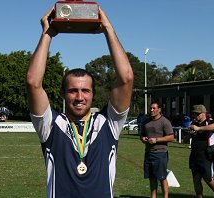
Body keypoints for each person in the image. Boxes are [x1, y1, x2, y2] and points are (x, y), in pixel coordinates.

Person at [26, 6, 133, 198]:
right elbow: (33, 82)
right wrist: (47, 34)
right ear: (63, 94)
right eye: (73, 91)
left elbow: (126, 78)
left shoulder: (109, 123)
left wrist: (108, 28)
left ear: (93, 94)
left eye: (85, 91)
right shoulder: (50, 124)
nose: (80, 97)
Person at [140, 101, 174, 198]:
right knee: (152, 178)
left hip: (160, 153)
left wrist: (157, 140)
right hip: (148, 153)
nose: (151, 110)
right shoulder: (146, 122)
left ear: (159, 110)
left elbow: (171, 137)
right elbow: (142, 135)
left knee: (162, 177)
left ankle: (165, 196)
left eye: (154, 108)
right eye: (151, 108)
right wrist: (143, 138)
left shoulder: (165, 122)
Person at [189, 104, 214, 198]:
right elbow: (186, 139)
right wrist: (190, 133)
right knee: (196, 179)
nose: (195, 116)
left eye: (197, 114)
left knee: (208, 179)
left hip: (206, 156)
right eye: (194, 114)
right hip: (194, 155)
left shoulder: (209, 122)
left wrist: (199, 129)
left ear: (203, 113)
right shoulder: (194, 123)